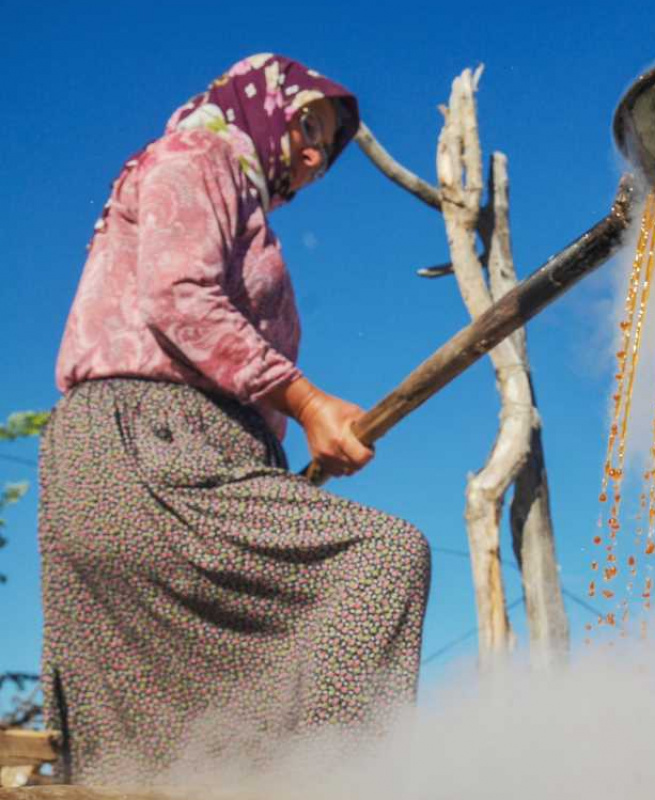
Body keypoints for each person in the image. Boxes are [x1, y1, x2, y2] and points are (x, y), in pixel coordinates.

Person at [39, 54, 431, 784]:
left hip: (185, 456)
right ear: (265, 103)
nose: (315, 153)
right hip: (150, 450)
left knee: (182, 765)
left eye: (329, 145)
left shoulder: (238, 200)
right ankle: (336, 787)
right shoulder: (203, 151)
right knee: (378, 559)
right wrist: (308, 404)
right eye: (308, 124)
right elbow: (180, 298)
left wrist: (280, 445)